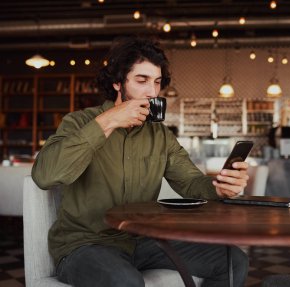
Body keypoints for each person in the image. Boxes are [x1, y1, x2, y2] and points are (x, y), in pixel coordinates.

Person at [32, 36, 249, 287]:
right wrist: (109, 121)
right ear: (117, 83)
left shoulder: (159, 135)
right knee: (126, 281)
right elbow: (45, 176)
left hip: (143, 240)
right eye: (141, 80)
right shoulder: (79, 122)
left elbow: (191, 182)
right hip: (87, 244)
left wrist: (219, 187)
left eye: (157, 82)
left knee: (233, 260)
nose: (152, 92)